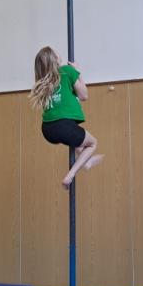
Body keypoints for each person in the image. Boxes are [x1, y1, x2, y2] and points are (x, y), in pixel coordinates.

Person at [29, 46, 103, 189]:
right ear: (55, 59)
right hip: (63, 126)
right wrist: (77, 72)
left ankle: (86, 162)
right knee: (92, 143)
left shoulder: (43, 81)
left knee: (77, 141)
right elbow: (84, 96)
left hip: (47, 130)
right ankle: (70, 175)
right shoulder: (66, 71)